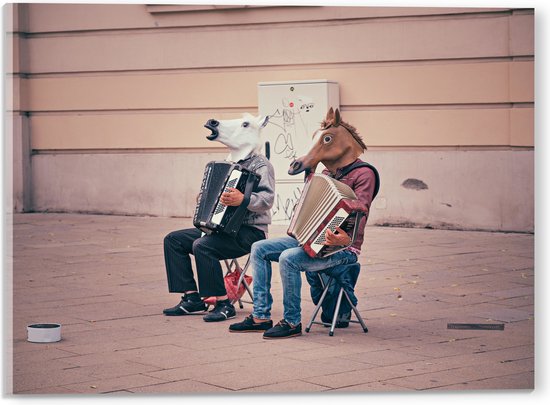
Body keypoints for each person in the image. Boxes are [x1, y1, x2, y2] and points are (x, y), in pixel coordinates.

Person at [229, 107, 378, 338]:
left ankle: (291, 322)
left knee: (289, 259)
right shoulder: (327, 175)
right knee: (259, 248)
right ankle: (261, 315)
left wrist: (342, 237)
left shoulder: (364, 174)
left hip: (344, 248)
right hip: (309, 241)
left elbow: (361, 210)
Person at [163, 151, 275, 322]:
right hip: (223, 228)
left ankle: (224, 304)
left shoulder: (261, 164)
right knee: (173, 240)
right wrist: (206, 198)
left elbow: (267, 200)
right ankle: (192, 298)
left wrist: (244, 199)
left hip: (251, 231)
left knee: (203, 245)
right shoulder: (229, 161)